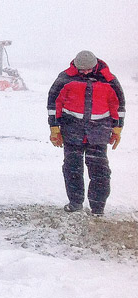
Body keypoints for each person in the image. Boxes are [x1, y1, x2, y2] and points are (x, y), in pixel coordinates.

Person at [47, 50, 126, 216]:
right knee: (72, 169)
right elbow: (53, 104)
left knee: (100, 172)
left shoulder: (109, 80)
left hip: (98, 134)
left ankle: (97, 208)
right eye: (81, 70)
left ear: (95, 66)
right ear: (75, 65)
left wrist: (117, 128)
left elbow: (119, 107)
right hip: (72, 132)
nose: (84, 73)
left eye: (88, 70)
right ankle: (75, 203)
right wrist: (54, 128)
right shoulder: (65, 78)